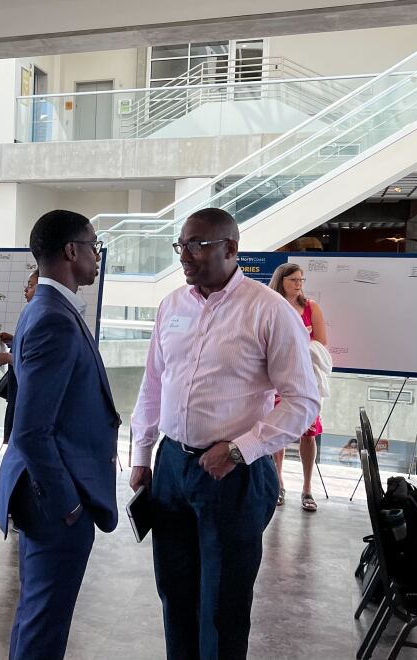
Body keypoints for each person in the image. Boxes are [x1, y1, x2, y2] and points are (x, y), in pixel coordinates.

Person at [130, 208, 320, 660]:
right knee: (175, 594)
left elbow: (302, 401)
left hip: (233, 475)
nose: (185, 256)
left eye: (197, 244)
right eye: (181, 245)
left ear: (230, 248)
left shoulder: (268, 310)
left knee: (223, 606)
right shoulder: (172, 305)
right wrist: (142, 453)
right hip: (173, 466)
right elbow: (154, 382)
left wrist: (238, 450)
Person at [0, 210, 119, 660]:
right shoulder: (53, 318)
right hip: (55, 498)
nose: (96, 255)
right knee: (45, 622)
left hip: (48, 492)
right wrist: (68, 504)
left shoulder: (45, 307)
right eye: (93, 246)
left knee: (37, 614)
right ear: (71, 251)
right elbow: (30, 430)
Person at [268, 263, 328, 512]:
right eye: (293, 279)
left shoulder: (311, 307)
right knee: (276, 430)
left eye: (301, 279)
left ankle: (306, 488)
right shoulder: (271, 305)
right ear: (281, 280)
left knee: (309, 432)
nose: (298, 284)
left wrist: (295, 345)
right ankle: (278, 484)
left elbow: (321, 343)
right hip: (275, 378)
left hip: (304, 378)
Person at [0, 269, 38, 522]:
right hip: (18, 393)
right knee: (13, 452)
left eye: (30, 285)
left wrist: (8, 356)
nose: (26, 290)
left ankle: (14, 508)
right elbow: (29, 346)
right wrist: (13, 339)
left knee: (19, 454)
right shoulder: (31, 312)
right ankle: (4, 504)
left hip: (28, 397)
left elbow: (36, 359)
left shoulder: (45, 315)